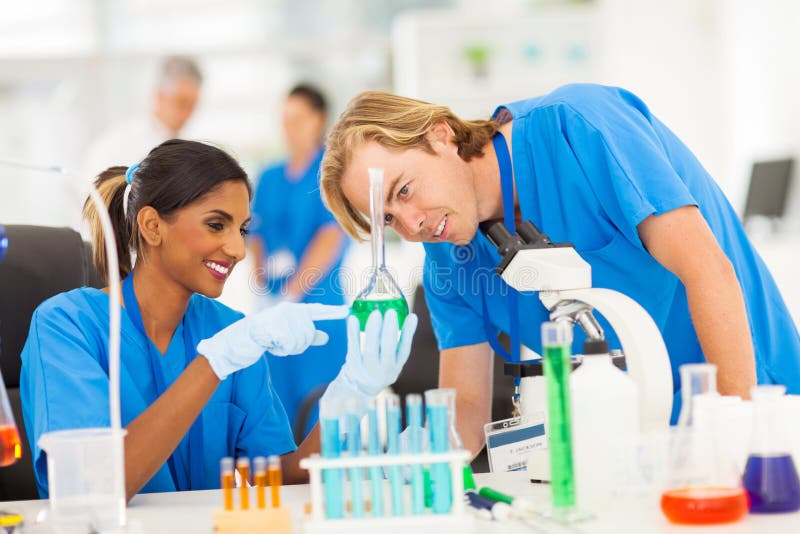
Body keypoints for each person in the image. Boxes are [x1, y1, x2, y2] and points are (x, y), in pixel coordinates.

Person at [319, 84, 800, 458]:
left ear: (441, 134)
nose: (413, 224)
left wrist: (735, 438)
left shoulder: (580, 126)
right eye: (387, 220)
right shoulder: (449, 256)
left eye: (403, 191)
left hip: (750, 407)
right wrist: (388, 453)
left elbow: (708, 272)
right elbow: (464, 417)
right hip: (642, 446)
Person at [20, 139, 417, 498]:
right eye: (216, 224)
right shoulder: (64, 327)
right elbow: (92, 489)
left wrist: (350, 396)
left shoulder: (230, 330)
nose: (237, 249)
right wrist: (213, 363)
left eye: (242, 229)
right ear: (152, 225)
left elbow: (279, 479)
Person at [249, 84, 348, 439]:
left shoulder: (332, 172)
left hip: (318, 312)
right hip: (273, 315)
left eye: (297, 119)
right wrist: (263, 288)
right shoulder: (269, 176)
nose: (288, 128)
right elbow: (255, 233)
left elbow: (329, 237)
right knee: (278, 412)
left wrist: (292, 294)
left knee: (320, 414)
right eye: (284, 119)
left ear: (319, 120)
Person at [80, 56, 203, 202]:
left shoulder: (187, 149)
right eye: (181, 103)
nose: (188, 113)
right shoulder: (117, 144)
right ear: (159, 96)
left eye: (193, 105)